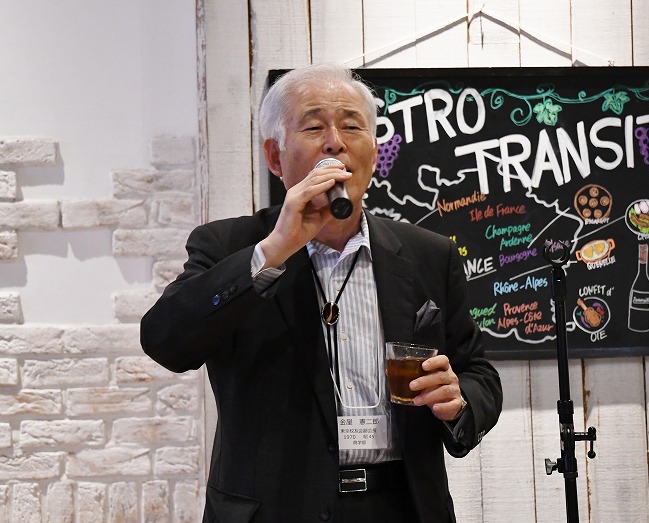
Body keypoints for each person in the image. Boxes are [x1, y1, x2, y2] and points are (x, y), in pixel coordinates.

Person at [140, 63, 502, 523]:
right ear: (275, 157)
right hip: (276, 510)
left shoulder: (429, 254)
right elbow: (166, 341)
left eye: (352, 126)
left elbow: (478, 373)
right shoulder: (229, 246)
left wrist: (459, 399)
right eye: (313, 127)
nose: (335, 142)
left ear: (374, 153)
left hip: (402, 507)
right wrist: (273, 251)